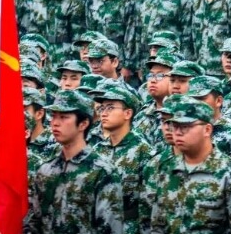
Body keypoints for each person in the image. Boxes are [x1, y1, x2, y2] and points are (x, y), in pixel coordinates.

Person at [148, 96, 231, 232]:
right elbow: (158, 224)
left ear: (207, 129)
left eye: (185, 126)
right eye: (175, 126)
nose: (177, 132)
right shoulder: (167, 168)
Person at [28, 90, 124, 234]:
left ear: (83, 124)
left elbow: (110, 228)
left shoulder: (101, 172)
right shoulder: (46, 170)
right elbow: (34, 223)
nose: (55, 123)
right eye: (53, 116)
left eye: (63, 117)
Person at [93, 83, 151, 234]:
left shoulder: (143, 150)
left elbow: (148, 202)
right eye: (102, 108)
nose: (104, 113)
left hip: (129, 226)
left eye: (110, 108)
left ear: (127, 113)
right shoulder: (97, 149)